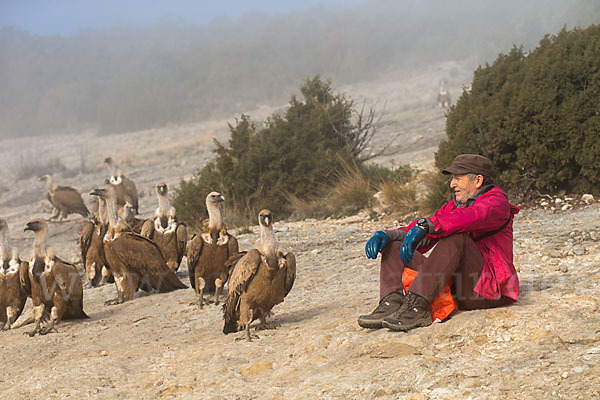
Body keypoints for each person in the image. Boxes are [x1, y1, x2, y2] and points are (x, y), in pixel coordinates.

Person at [358, 154, 520, 331]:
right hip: (457, 288)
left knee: (458, 238)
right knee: (395, 244)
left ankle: (417, 306)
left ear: (478, 180)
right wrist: (389, 235)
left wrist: (429, 225)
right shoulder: (455, 206)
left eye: (458, 178)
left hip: (488, 291)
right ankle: (391, 302)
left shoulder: (496, 202)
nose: (452, 184)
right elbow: (427, 231)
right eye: (452, 179)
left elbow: (470, 217)